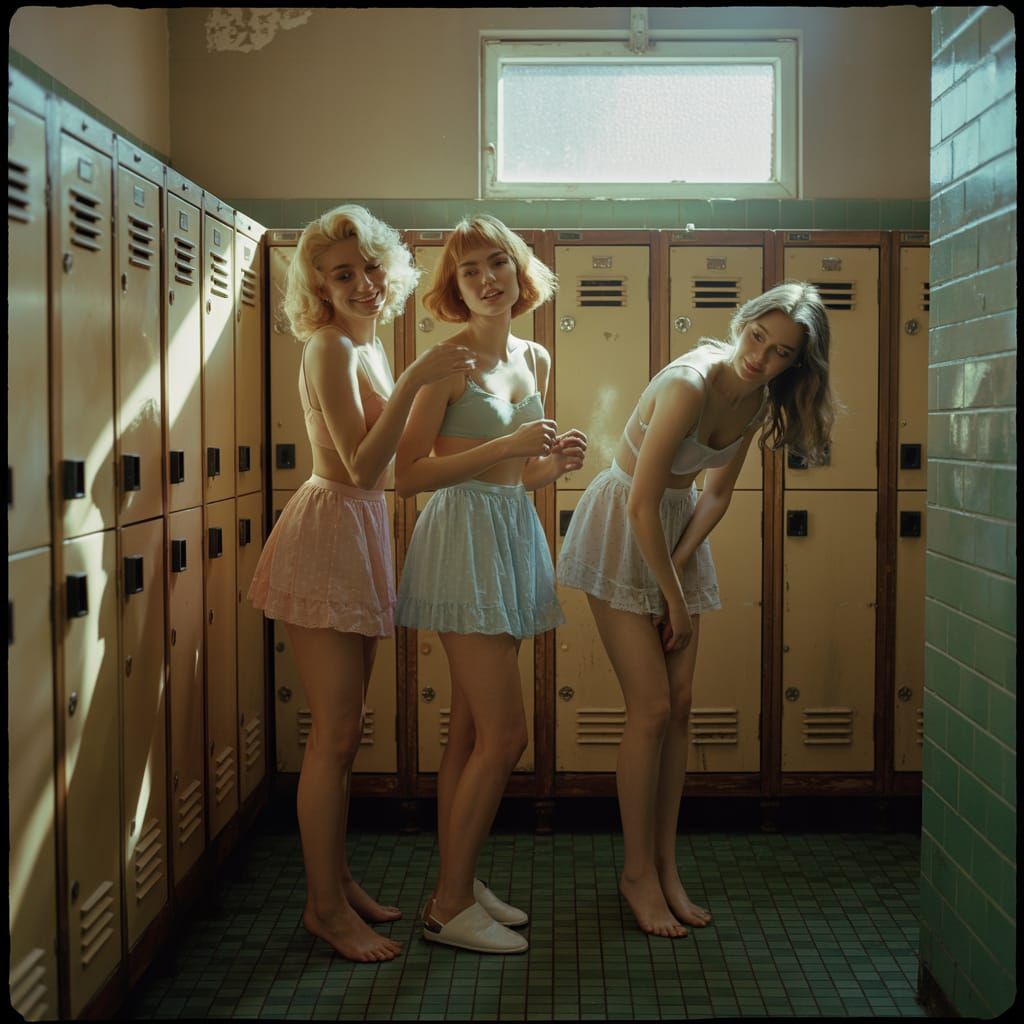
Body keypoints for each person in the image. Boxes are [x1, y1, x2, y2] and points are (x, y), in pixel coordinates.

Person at [557, 281, 835, 938]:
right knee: (651, 706)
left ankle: (664, 865)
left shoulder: (759, 399)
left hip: (674, 534)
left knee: (680, 707)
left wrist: (678, 573)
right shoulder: (690, 384)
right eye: (757, 336)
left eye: (780, 353)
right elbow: (638, 504)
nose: (760, 357)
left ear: (796, 365)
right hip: (625, 525)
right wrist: (674, 604)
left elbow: (715, 496)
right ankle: (635, 873)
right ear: (742, 322)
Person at [248, 205, 475, 962]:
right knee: (334, 734)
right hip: (329, 532)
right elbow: (358, 467)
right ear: (319, 288)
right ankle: (323, 908)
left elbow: (402, 464)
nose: (364, 284)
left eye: (371, 267)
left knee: (342, 738)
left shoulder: (367, 347)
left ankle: (337, 881)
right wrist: (416, 378)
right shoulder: (329, 350)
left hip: (361, 533)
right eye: (342, 275)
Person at [394, 215, 587, 954]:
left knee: (470, 730)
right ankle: (446, 907)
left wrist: (548, 466)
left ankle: (460, 875)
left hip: (509, 528)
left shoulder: (533, 357)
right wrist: (507, 444)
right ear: (455, 288)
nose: (486, 278)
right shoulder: (447, 366)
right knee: (506, 735)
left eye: (496, 262)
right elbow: (406, 477)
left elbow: (517, 473)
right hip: (462, 539)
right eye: (469, 269)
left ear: (519, 271)